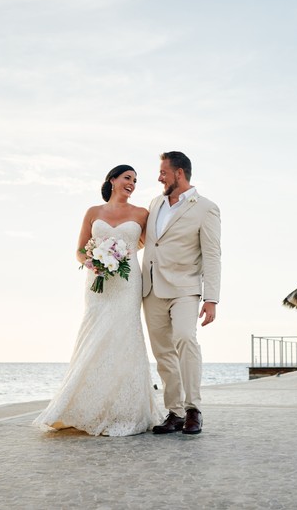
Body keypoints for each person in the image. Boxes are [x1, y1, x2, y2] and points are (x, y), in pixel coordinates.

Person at [33, 164, 160, 436]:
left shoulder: (141, 213)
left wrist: (118, 257)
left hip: (126, 284)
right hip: (97, 284)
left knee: (123, 337)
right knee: (94, 337)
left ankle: (124, 409)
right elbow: (79, 251)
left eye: (135, 181)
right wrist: (96, 262)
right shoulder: (93, 212)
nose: (132, 184)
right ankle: (83, 406)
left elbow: (148, 245)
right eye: (127, 178)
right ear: (112, 180)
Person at [142, 151, 221, 435]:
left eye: (163, 172)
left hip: (185, 288)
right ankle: (174, 412)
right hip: (150, 288)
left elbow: (212, 255)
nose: (159, 177)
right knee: (163, 352)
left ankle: (193, 409)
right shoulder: (154, 204)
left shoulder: (206, 208)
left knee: (185, 338)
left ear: (179, 173)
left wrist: (211, 298)